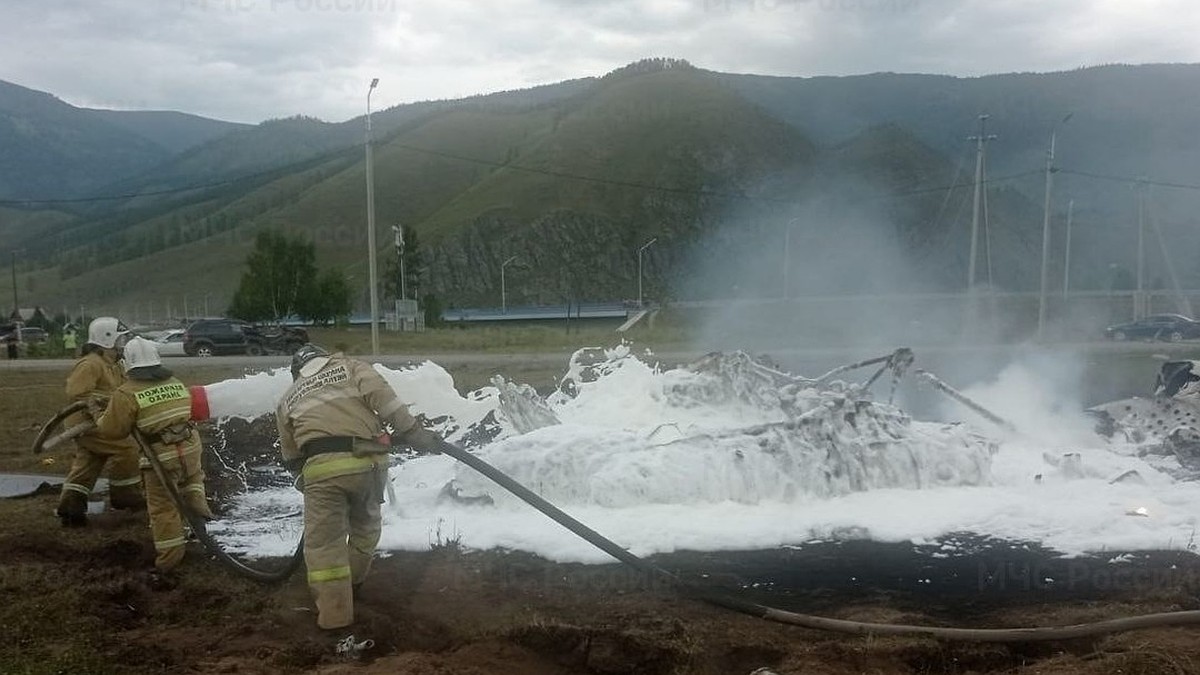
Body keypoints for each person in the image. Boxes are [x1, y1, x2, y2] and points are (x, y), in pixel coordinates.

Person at [275, 344, 443, 631]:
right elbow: (384, 398)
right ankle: (353, 584)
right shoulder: (351, 367)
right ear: (324, 358)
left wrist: (301, 475)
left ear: (296, 372)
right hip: (368, 465)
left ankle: (335, 617)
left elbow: (290, 452)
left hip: (322, 471)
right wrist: (412, 432)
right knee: (365, 529)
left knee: (325, 546)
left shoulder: (288, 397)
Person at [91, 337, 214, 572]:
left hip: (162, 457)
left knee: (163, 508)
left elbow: (112, 430)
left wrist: (98, 414)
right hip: (190, 448)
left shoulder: (126, 393)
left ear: (128, 364)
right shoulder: (175, 382)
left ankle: (169, 560)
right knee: (191, 481)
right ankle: (198, 514)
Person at [56, 317, 144, 526]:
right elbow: (77, 394)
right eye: (119, 340)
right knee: (127, 449)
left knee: (90, 461)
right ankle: (125, 496)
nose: (122, 345)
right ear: (106, 340)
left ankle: (70, 508)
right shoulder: (91, 364)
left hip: (99, 422)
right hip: (88, 425)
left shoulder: (112, 364)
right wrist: (99, 408)